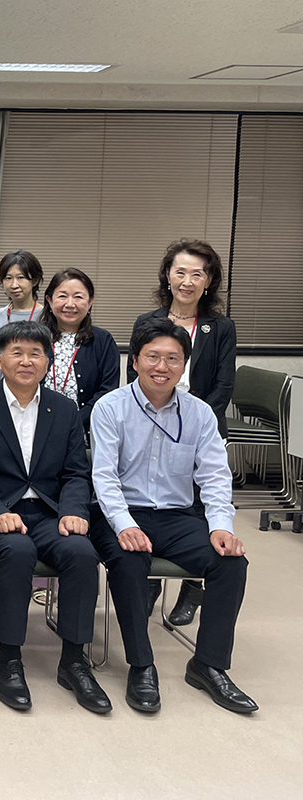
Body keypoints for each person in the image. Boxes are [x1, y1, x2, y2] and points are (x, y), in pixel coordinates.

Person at [90, 317, 255, 715]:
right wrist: (125, 525)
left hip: (177, 516)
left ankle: (208, 665)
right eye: (152, 357)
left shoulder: (200, 413)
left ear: (184, 365)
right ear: (135, 362)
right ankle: (141, 665)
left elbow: (215, 476)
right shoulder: (110, 408)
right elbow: (104, 477)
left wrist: (221, 527)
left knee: (230, 563)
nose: (161, 367)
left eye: (172, 358)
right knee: (130, 561)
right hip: (121, 513)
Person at [0, 321, 109, 713]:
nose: (26, 361)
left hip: (49, 512)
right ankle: (9, 658)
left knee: (82, 553)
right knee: (17, 551)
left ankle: (74, 660)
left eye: (35, 353)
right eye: (17, 353)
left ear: (47, 360)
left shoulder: (64, 409)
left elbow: (76, 473)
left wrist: (73, 511)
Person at [129, 239, 237, 626]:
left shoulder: (220, 327)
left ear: (208, 281)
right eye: (180, 272)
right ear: (167, 276)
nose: (187, 281)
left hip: (201, 428)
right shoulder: (148, 321)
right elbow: (134, 379)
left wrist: (191, 421)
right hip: (151, 425)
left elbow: (224, 385)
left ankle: (193, 588)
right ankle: (151, 582)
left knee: (198, 511)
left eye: (197, 274)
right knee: (154, 505)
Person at [39, 268, 119, 434]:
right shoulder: (35, 338)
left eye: (78, 297)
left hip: (85, 431)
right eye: (62, 296)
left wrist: (74, 421)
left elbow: (108, 391)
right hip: (37, 428)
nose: (70, 304)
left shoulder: (103, 340)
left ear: (90, 302)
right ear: (49, 300)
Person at [0, 250, 44, 389]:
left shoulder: (47, 317)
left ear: (35, 281)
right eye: (8, 278)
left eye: (21, 277)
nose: (14, 285)